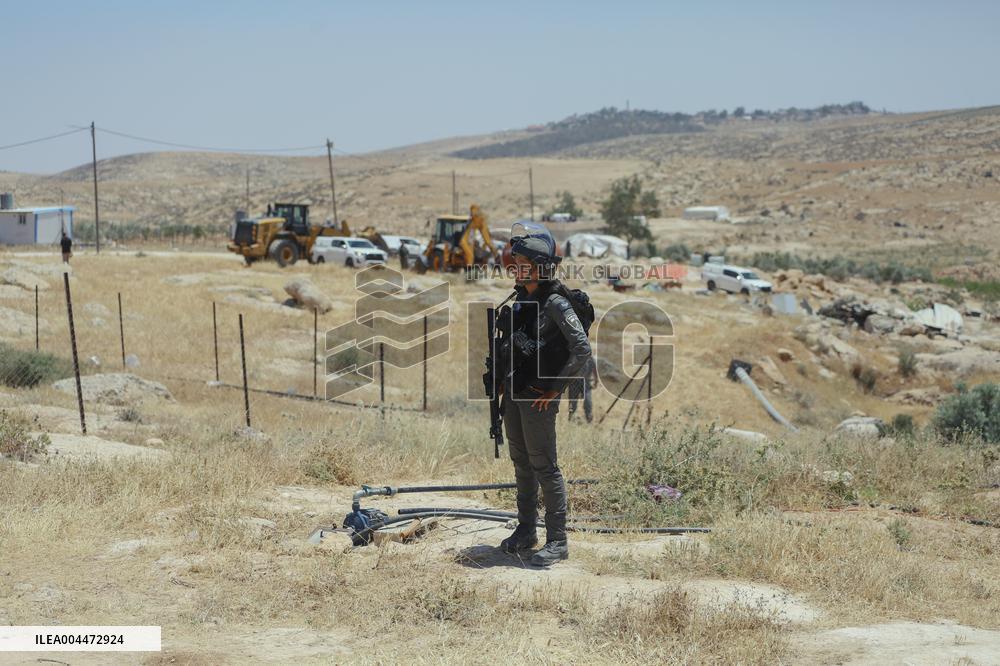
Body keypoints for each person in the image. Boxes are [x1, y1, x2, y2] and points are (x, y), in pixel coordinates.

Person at [499, 222, 592, 567]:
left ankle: (557, 541)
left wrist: (555, 390)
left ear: (539, 267)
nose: (516, 268)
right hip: (515, 392)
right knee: (521, 464)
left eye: (522, 263)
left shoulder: (555, 303)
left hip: (538, 397)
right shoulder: (521, 299)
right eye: (515, 262)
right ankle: (526, 530)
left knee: (545, 468)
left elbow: (581, 349)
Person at [567, 357, 596, 423]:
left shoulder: (591, 360)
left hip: (586, 383)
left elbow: (595, 371)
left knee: (588, 402)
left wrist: (596, 381)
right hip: (574, 383)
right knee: (573, 402)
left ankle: (589, 418)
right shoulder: (574, 358)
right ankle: (571, 418)